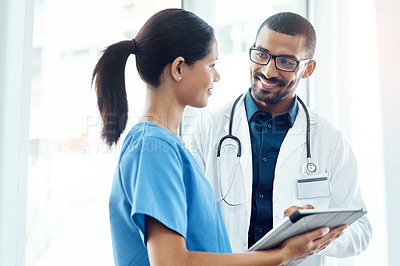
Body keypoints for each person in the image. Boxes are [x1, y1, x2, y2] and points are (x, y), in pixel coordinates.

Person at [92, 8, 346, 266]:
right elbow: (171, 262)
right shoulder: (154, 147)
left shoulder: (166, 145)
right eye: (211, 65)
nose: (217, 76)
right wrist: (284, 254)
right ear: (179, 68)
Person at [184, 11, 372, 265]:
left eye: (285, 62)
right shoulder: (206, 130)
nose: (268, 70)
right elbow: (184, 223)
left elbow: (361, 231)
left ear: (308, 69)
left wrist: (317, 227)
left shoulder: (330, 140)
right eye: (261, 55)